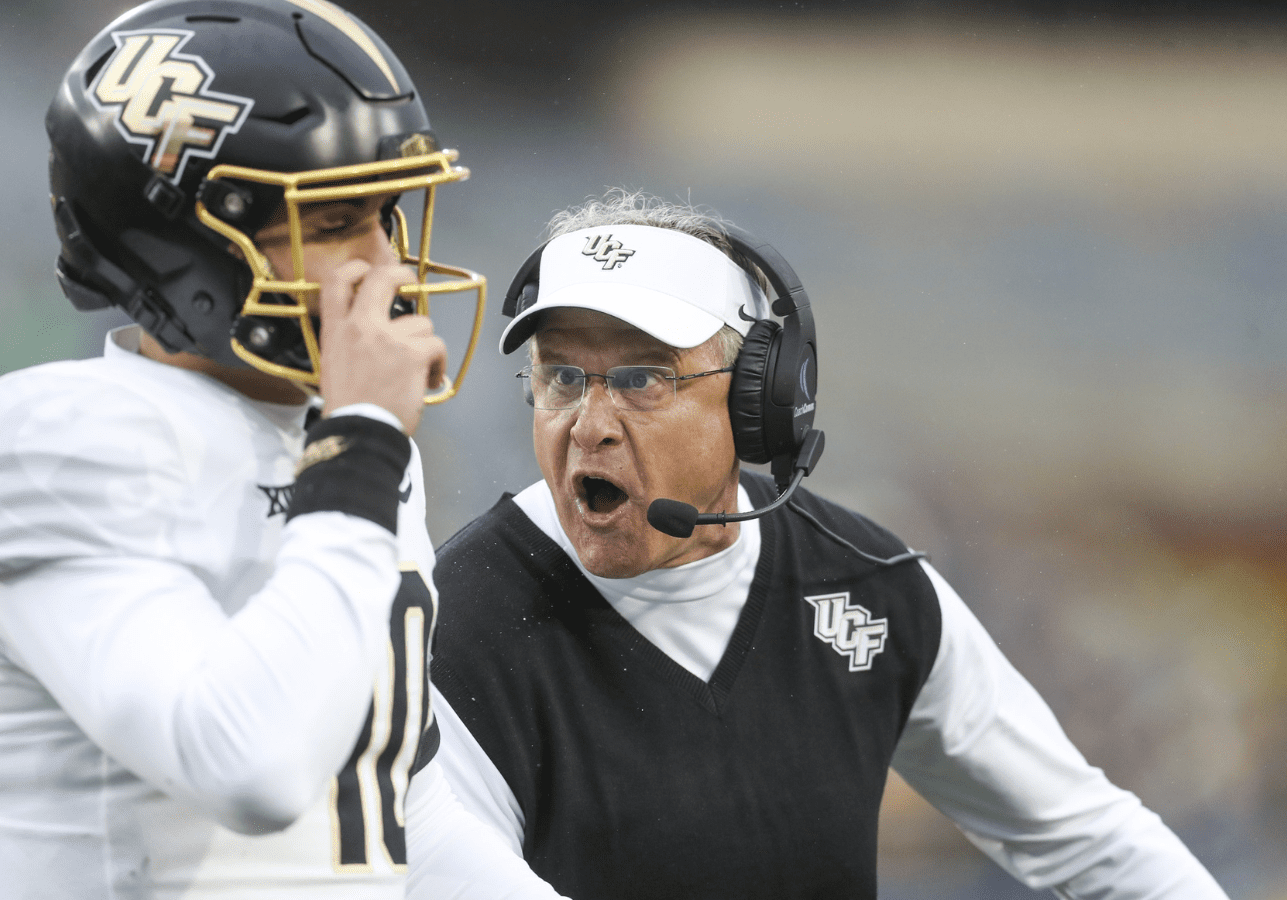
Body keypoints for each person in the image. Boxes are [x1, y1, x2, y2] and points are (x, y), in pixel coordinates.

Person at [0, 2, 562, 897]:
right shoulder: (46, 441)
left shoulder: (356, 448)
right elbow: (248, 767)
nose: (386, 266)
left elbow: (390, 819)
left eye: (386, 214)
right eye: (331, 222)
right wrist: (361, 443)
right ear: (183, 250)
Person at [428, 191, 1232, 900]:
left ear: (756, 401)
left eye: (643, 379)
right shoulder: (454, 623)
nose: (590, 425)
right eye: (561, 378)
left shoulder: (864, 581)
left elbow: (1091, 838)